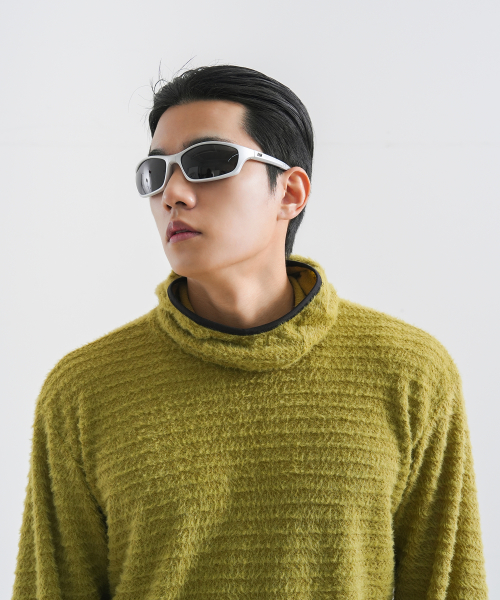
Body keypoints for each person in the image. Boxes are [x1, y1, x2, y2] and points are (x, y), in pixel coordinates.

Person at [11, 65, 488, 600]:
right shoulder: (84, 389)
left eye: (208, 163)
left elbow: (447, 587)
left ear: (290, 192)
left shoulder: (410, 374)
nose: (173, 194)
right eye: (155, 173)